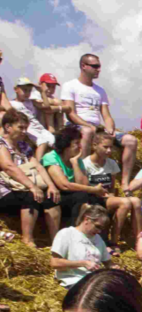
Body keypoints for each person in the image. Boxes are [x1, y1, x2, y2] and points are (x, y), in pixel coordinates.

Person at [59, 53, 138, 184]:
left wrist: (110, 128)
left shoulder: (100, 90)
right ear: (83, 66)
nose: (99, 69)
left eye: (99, 66)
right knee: (88, 131)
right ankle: (82, 179)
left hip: (97, 127)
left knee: (131, 140)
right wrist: (88, 126)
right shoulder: (70, 86)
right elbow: (70, 113)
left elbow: (106, 115)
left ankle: (125, 182)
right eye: (95, 66)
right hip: (77, 126)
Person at [1, 108, 61, 245]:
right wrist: (32, 186)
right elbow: (8, 167)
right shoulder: (1, 144)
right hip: (5, 190)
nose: (24, 131)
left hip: (22, 187)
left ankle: (56, 241)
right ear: (8, 127)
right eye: (20, 127)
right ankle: (28, 239)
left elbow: (38, 166)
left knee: (52, 197)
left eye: (26, 128)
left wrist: (52, 186)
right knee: (30, 196)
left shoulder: (24, 146)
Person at [79, 130, 140, 245]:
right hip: (92, 198)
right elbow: (83, 187)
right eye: (105, 147)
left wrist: (111, 194)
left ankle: (135, 239)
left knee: (135, 201)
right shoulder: (85, 164)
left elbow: (111, 187)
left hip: (107, 198)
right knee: (125, 203)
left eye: (111, 147)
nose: (109, 151)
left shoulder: (111, 163)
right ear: (95, 146)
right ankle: (113, 241)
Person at [41, 124, 95, 231]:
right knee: (80, 197)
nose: (80, 147)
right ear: (65, 144)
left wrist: (75, 163)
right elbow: (64, 185)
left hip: (69, 195)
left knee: (90, 199)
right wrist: (94, 189)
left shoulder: (76, 159)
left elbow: (83, 185)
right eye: (76, 143)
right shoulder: (51, 157)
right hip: (53, 194)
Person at [50, 204, 113, 288]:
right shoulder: (66, 234)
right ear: (87, 219)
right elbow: (54, 262)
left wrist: (115, 268)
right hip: (72, 281)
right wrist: (83, 263)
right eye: (97, 226)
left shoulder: (98, 239)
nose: (99, 231)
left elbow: (108, 263)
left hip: (94, 281)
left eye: (102, 228)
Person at [10, 75, 55, 161]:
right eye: (24, 90)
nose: (27, 93)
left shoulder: (31, 101)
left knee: (54, 142)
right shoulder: (11, 103)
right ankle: (38, 164)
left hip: (38, 127)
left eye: (29, 91)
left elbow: (46, 106)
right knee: (42, 142)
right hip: (27, 127)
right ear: (16, 89)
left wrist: (42, 92)